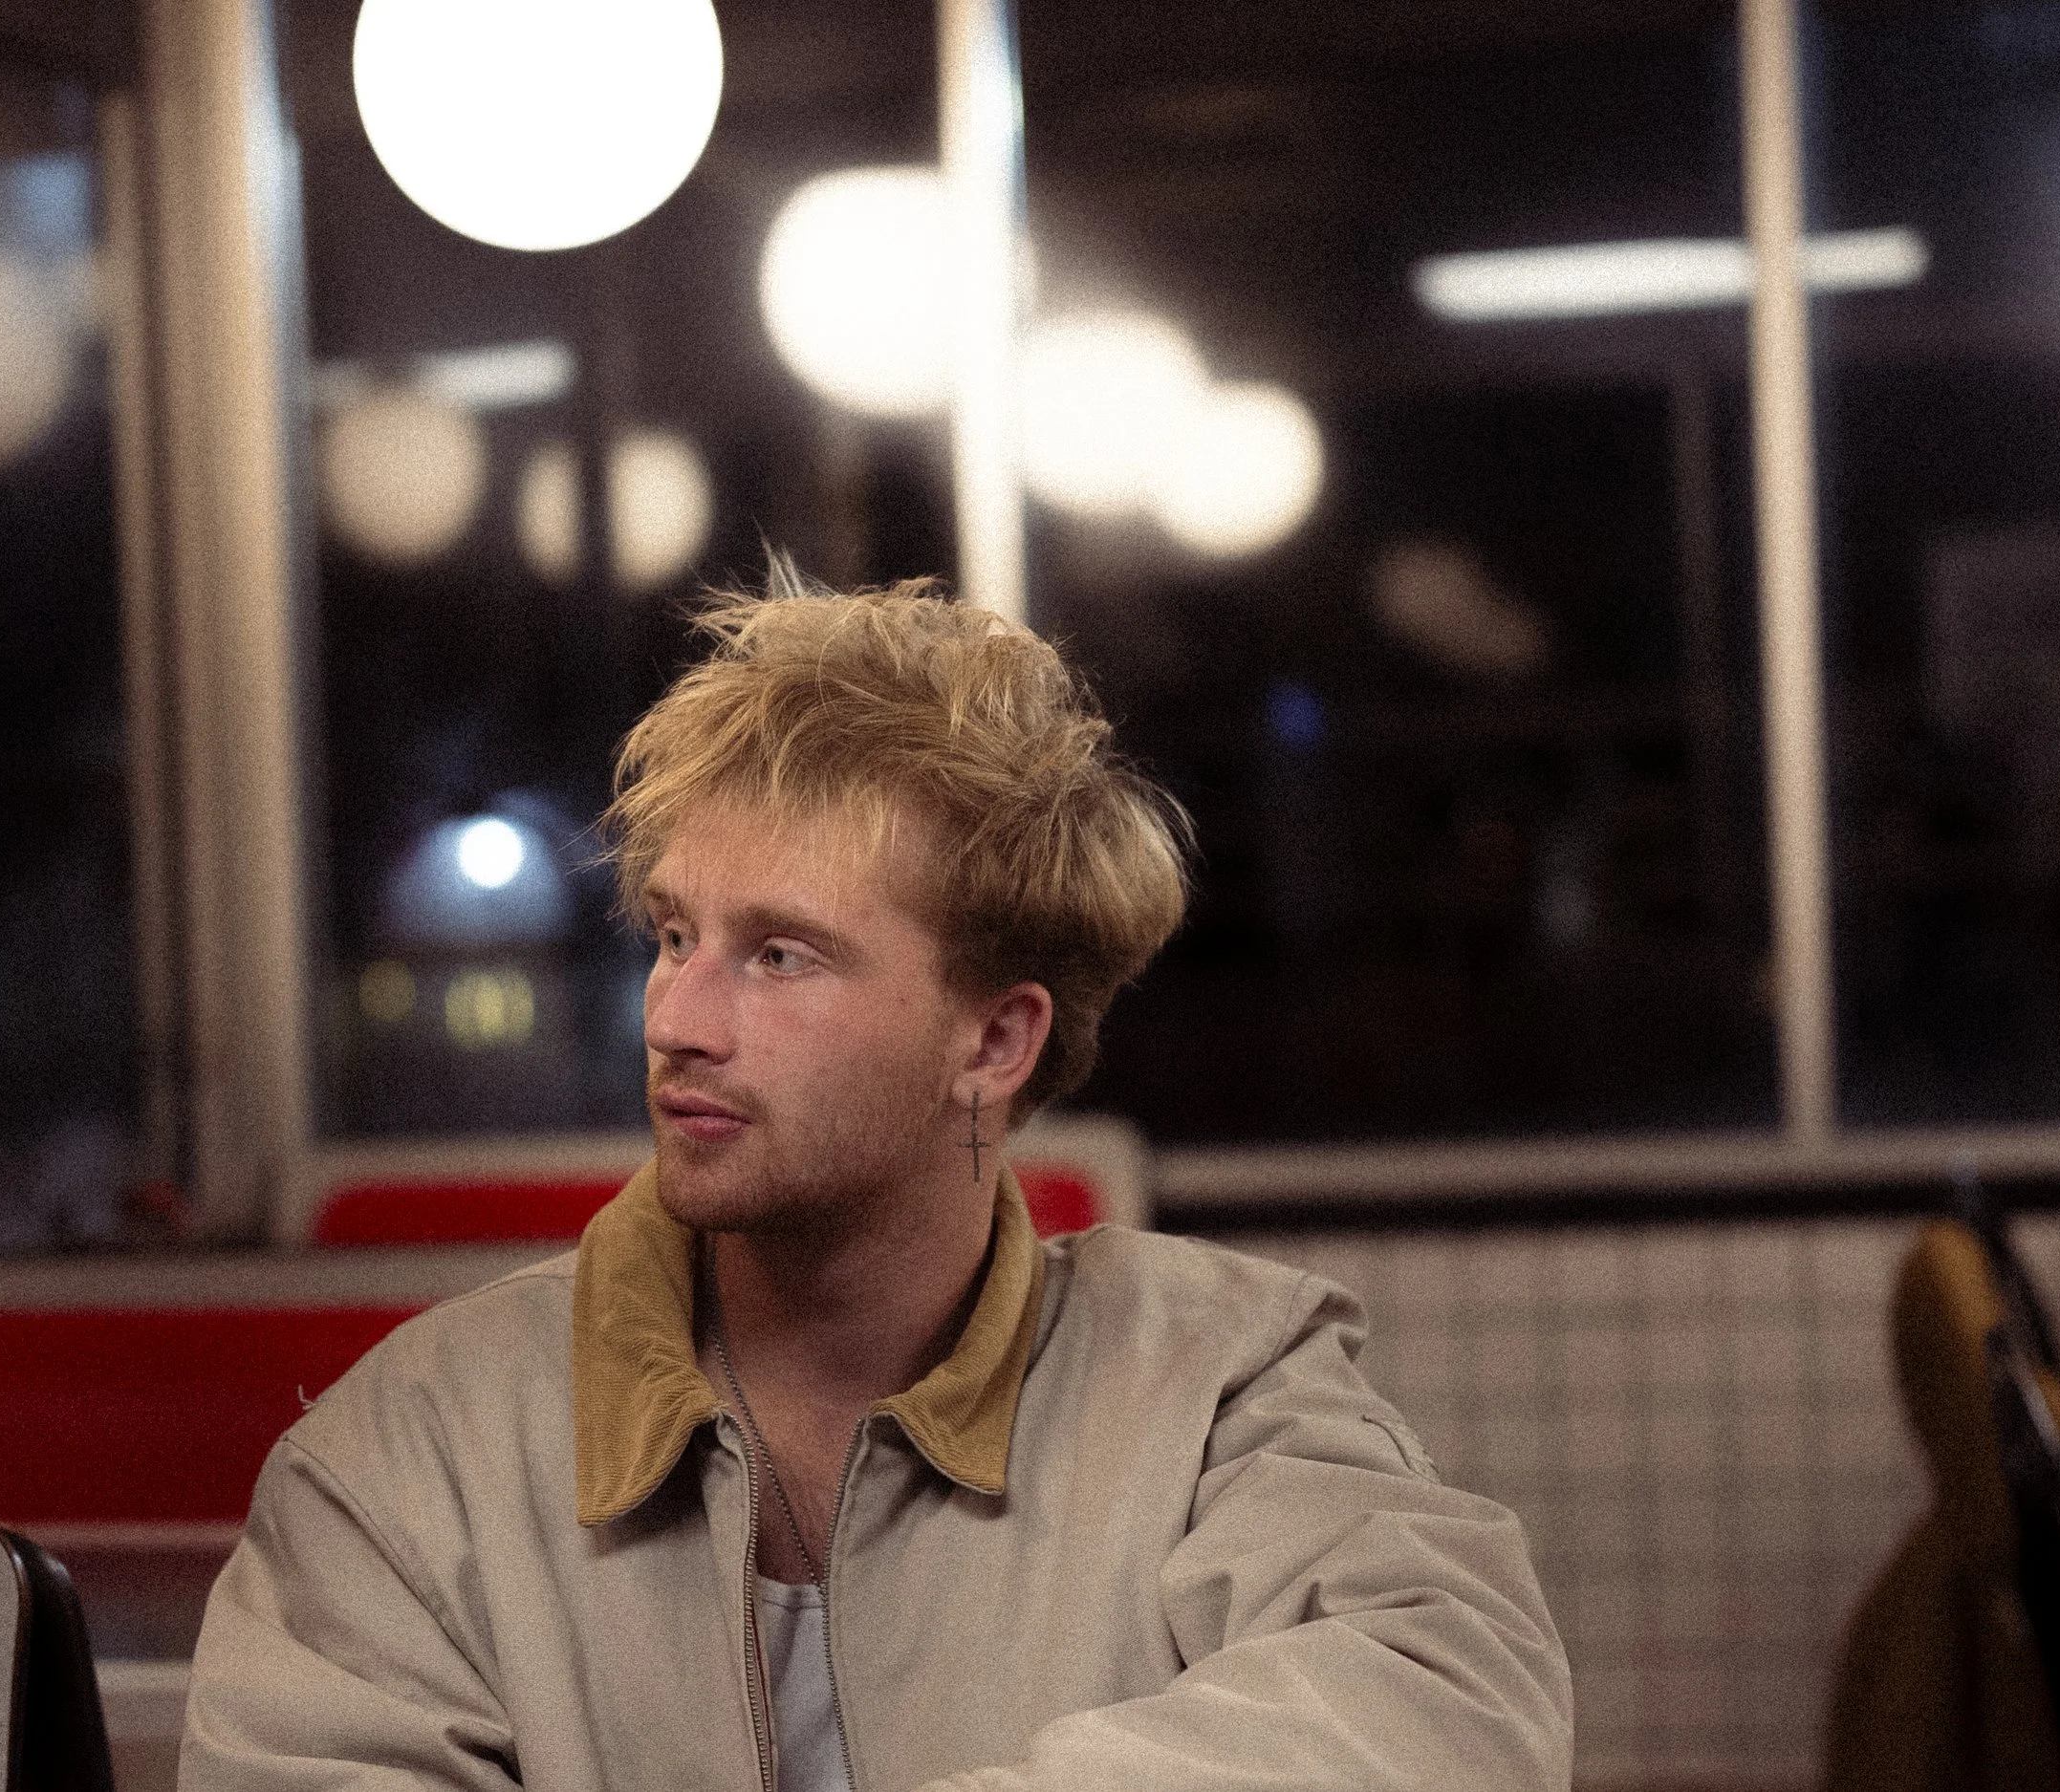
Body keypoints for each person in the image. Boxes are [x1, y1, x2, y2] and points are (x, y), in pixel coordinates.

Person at [181, 573, 1572, 1792]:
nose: (678, 1017)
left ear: (995, 1036)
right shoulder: (412, 1453)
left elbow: (1447, 1703)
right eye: (675, 933)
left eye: (779, 954)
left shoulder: (1217, 1383)